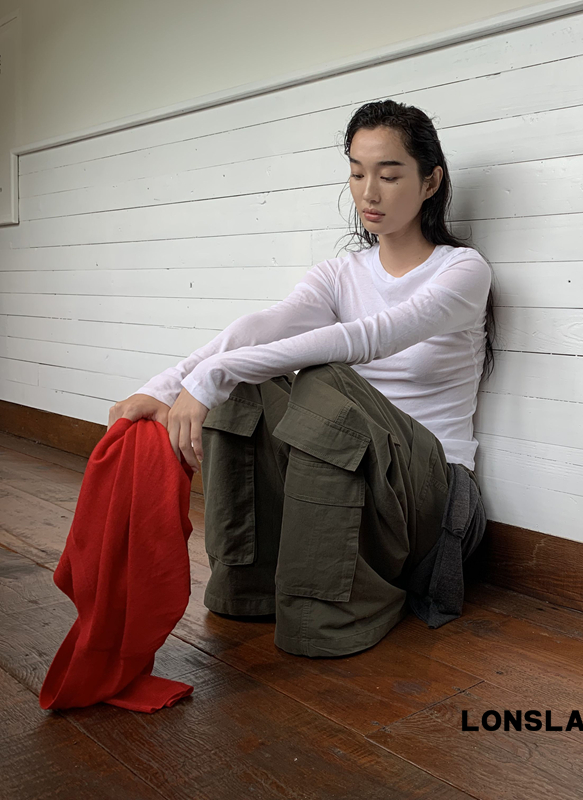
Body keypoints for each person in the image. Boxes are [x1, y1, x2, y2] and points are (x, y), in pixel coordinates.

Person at [106, 99, 496, 657]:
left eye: (389, 176)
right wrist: (165, 387)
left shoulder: (462, 270)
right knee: (250, 384)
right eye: (357, 174)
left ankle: (324, 615)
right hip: (360, 480)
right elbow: (259, 329)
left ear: (430, 182)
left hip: (432, 496)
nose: (369, 193)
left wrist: (215, 374)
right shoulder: (339, 273)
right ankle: (248, 584)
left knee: (322, 378)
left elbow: (369, 338)